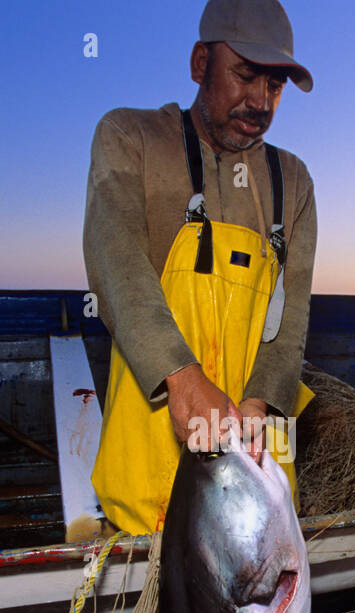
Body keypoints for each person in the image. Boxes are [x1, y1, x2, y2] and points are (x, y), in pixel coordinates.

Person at [83, 0, 317, 535]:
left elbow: (293, 319)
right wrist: (184, 381)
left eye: (275, 85)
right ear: (198, 63)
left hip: (260, 482)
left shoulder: (294, 181)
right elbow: (115, 263)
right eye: (245, 75)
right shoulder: (129, 139)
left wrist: (257, 408)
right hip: (151, 483)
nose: (261, 101)